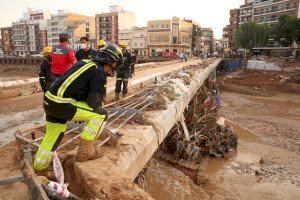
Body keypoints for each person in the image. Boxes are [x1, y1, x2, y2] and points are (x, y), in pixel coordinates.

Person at [33, 44, 123, 175]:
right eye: (115, 64)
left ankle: (39, 170)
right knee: (100, 115)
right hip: (62, 104)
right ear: (112, 62)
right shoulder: (98, 72)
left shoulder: (85, 63)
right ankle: (85, 152)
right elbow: (94, 103)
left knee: (52, 136)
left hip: (49, 101)